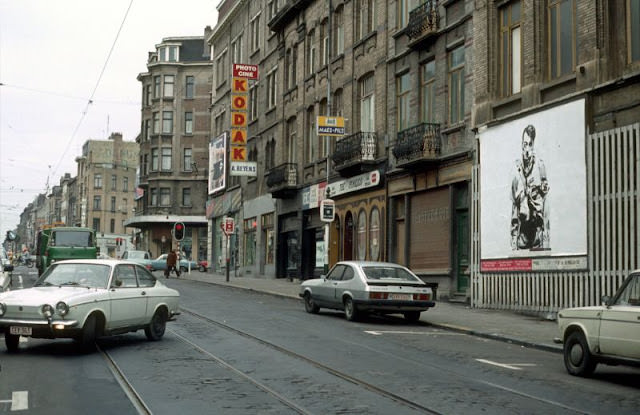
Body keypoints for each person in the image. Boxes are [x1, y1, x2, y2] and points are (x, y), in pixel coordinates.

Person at [511, 124, 550, 251]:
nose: (526, 148)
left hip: (537, 241)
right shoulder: (517, 169)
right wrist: (513, 241)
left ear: (533, 145)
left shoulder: (540, 166)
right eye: (524, 144)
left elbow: (545, 203)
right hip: (522, 241)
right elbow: (514, 207)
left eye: (529, 144)